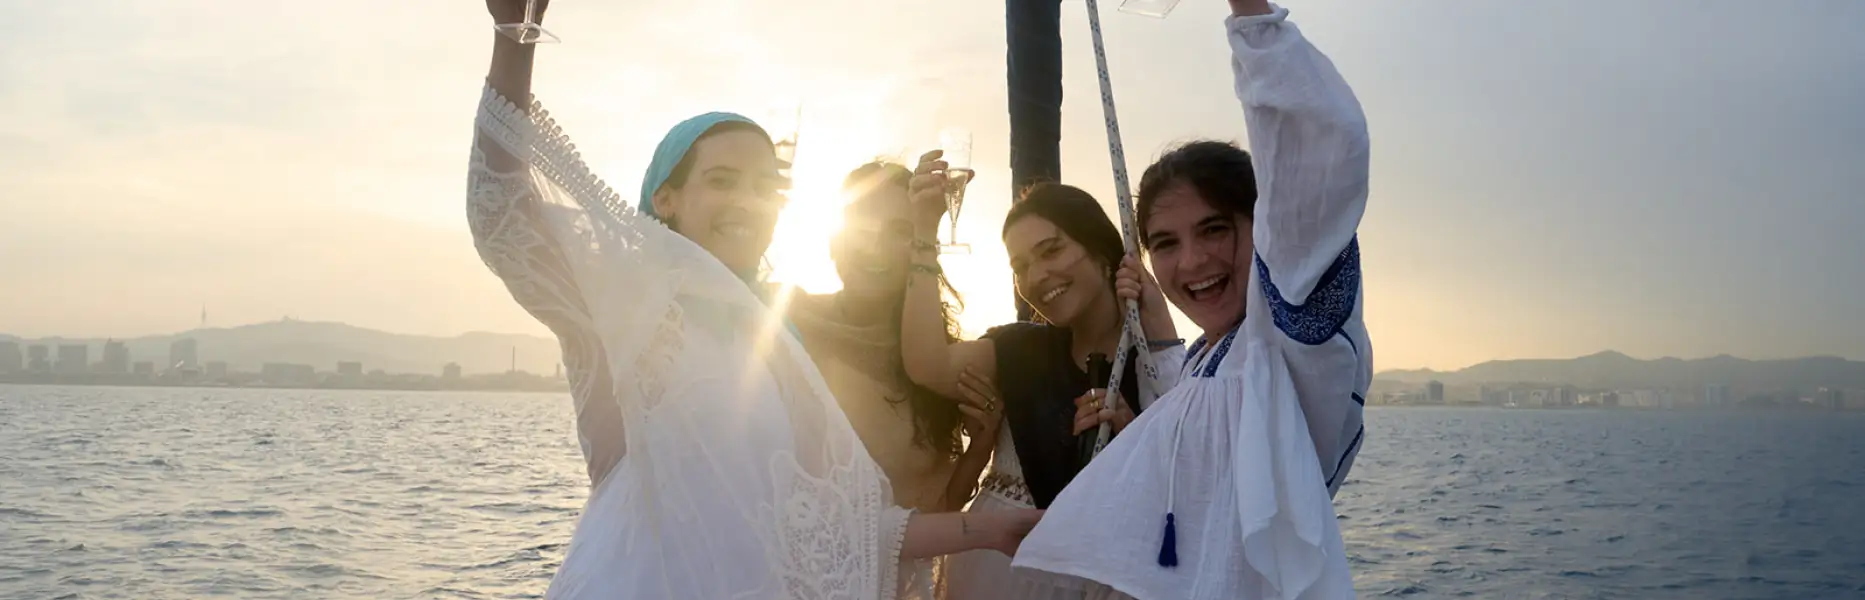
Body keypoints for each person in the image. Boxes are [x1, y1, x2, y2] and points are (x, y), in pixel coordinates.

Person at [464, 2, 1042, 598]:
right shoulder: (627, 304)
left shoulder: (777, 344)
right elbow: (504, 217)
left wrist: (992, 530)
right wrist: (515, 37)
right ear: (667, 198)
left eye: (766, 186)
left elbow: (847, 528)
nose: (749, 201)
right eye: (722, 180)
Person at [1010, 2, 1372, 598]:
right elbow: (1202, 452)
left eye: (1215, 229)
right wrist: (1136, 432)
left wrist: (1252, 19)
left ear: (1266, 227)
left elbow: (1320, 156)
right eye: (1165, 243)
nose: (1192, 263)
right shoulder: (1213, 356)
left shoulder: (1294, 340)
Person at [898, 176, 1189, 598]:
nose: (1036, 276)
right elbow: (928, 364)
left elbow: (1191, 481)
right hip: (993, 572)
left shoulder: (1157, 365)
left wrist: (1158, 327)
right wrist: (925, 233)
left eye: (1051, 250)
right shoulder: (1018, 348)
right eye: (1020, 267)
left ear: (1103, 251)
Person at [786, 161, 1003, 514]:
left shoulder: (933, 365)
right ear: (832, 240)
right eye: (861, 227)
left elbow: (940, 506)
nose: (875, 246)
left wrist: (981, 448)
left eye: (899, 231)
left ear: (921, 248)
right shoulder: (785, 327)